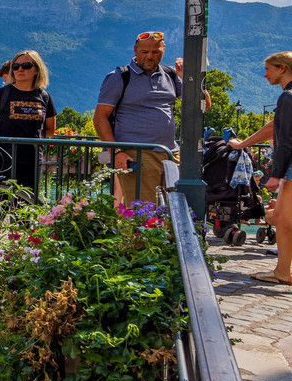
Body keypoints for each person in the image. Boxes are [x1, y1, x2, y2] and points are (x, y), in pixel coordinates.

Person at [94, 31, 206, 204]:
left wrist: (190, 76)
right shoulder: (120, 77)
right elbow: (100, 117)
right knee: (143, 213)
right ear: (135, 50)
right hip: (137, 154)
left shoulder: (170, 75)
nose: (149, 57)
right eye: (144, 52)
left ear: (163, 51)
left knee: (175, 212)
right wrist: (116, 152)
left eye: (155, 52)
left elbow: (204, 105)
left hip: (170, 153)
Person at [228, 52, 292, 284]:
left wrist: (276, 174)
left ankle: (283, 272)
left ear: (282, 68)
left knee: (283, 218)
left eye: (269, 69)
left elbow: (284, 138)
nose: (265, 75)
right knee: (283, 219)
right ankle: (283, 271)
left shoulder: (287, 97)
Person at [0, 50, 57, 198]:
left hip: (31, 161)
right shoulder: (2, 94)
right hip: (2, 160)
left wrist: (33, 138)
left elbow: (50, 129)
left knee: (25, 212)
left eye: (25, 65)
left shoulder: (44, 97)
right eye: (16, 66)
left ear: (36, 69)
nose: (20, 69)